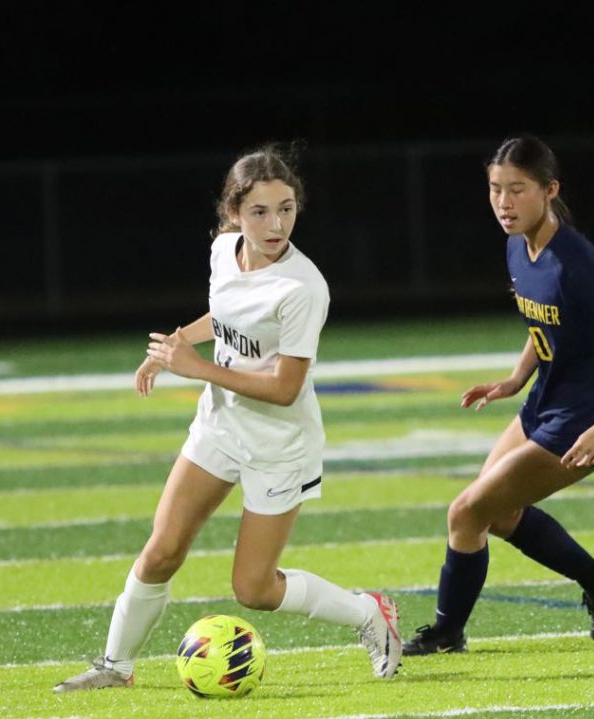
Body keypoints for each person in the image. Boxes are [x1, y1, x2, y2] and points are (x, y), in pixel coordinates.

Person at [54, 145, 401, 691]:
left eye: (286, 208)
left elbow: (286, 389)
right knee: (163, 549)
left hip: (280, 444)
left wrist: (197, 371)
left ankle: (369, 613)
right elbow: (228, 314)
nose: (275, 223)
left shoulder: (303, 288)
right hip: (221, 426)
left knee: (254, 589)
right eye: (260, 211)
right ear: (233, 212)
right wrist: (175, 345)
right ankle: (115, 666)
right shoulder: (223, 250)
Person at [404, 135, 594, 656]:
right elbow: (543, 324)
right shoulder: (518, 244)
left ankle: (449, 632)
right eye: (496, 189)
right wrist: (515, 380)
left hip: (583, 419)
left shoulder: (578, 262)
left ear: (550, 190)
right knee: (491, 513)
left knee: (465, 513)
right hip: (543, 404)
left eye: (517, 189)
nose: (503, 202)